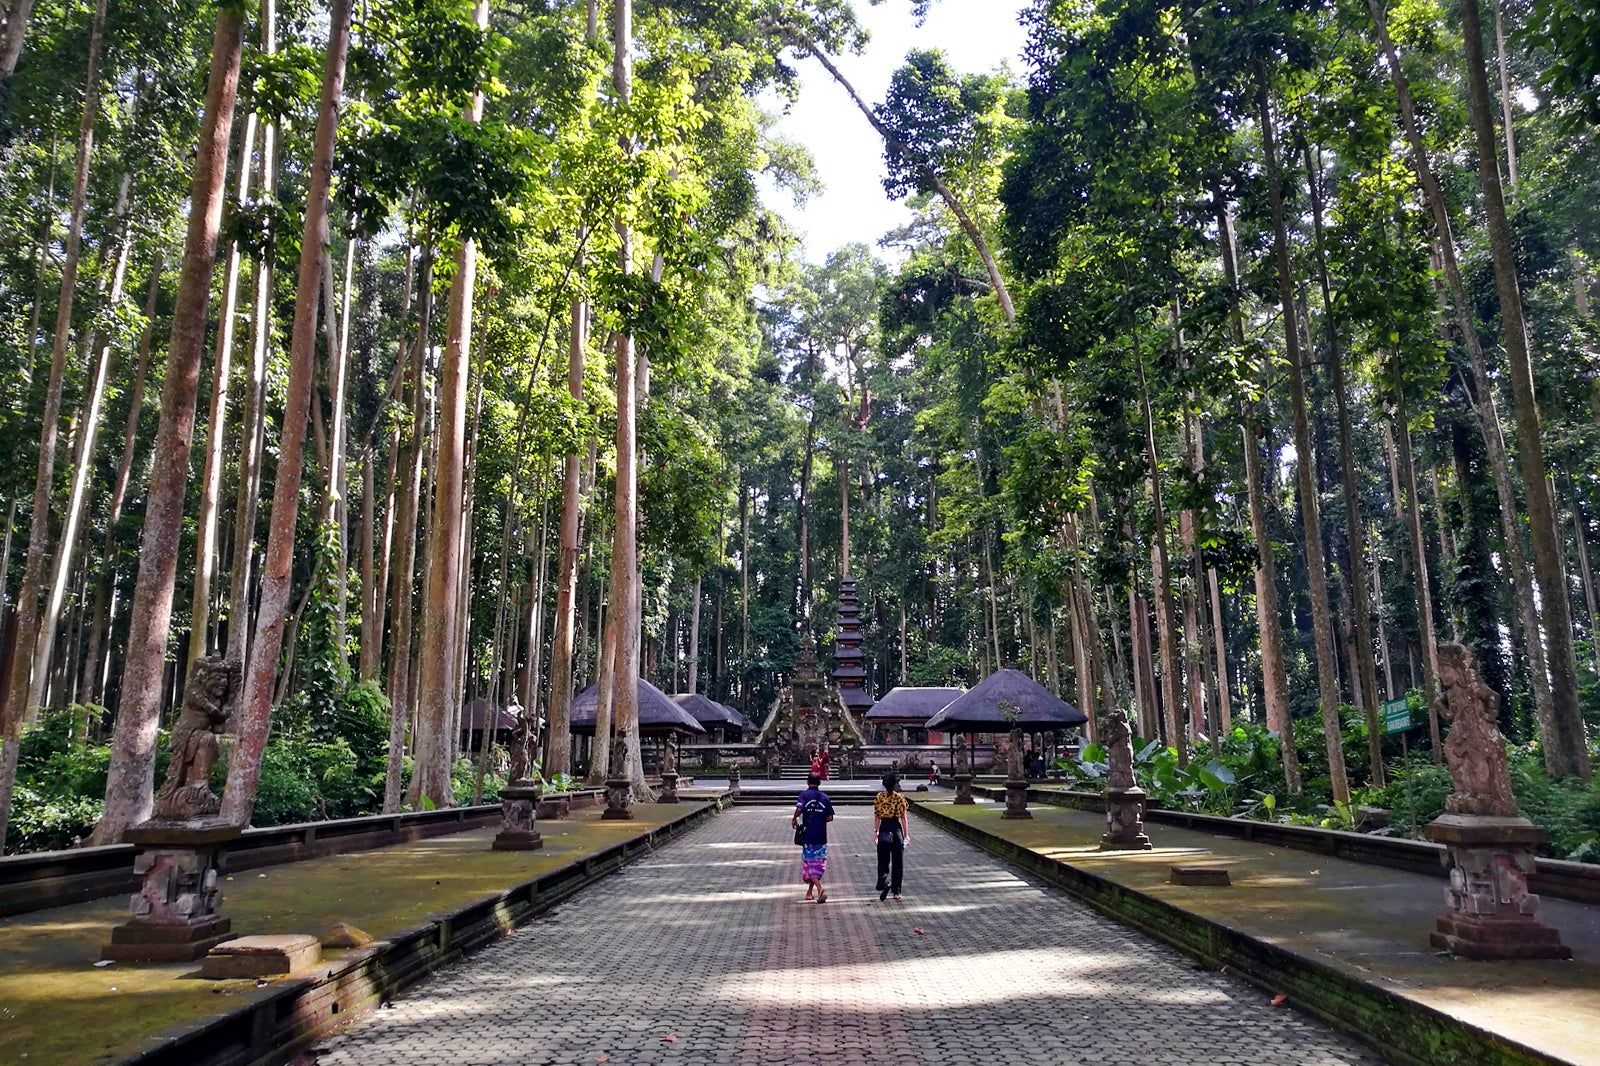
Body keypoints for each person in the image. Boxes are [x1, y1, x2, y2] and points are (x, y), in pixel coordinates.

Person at [791, 773, 834, 903]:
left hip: (808, 836)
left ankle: (820, 888)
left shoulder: (804, 795)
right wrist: (819, 819)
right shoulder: (825, 797)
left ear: (807, 782)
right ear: (819, 783)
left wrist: (794, 818)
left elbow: (799, 808)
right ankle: (809, 892)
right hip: (821, 836)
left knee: (809, 863)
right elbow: (830, 817)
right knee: (817, 863)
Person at [873, 772, 910, 901]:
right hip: (896, 829)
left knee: (883, 860)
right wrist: (906, 835)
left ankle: (884, 883)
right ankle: (897, 891)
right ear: (895, 784)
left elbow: (877, 815)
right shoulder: (900, 797)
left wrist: (875, 832)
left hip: (884, 828)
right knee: (897, 862)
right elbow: (904, 818)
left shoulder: (879, 797)